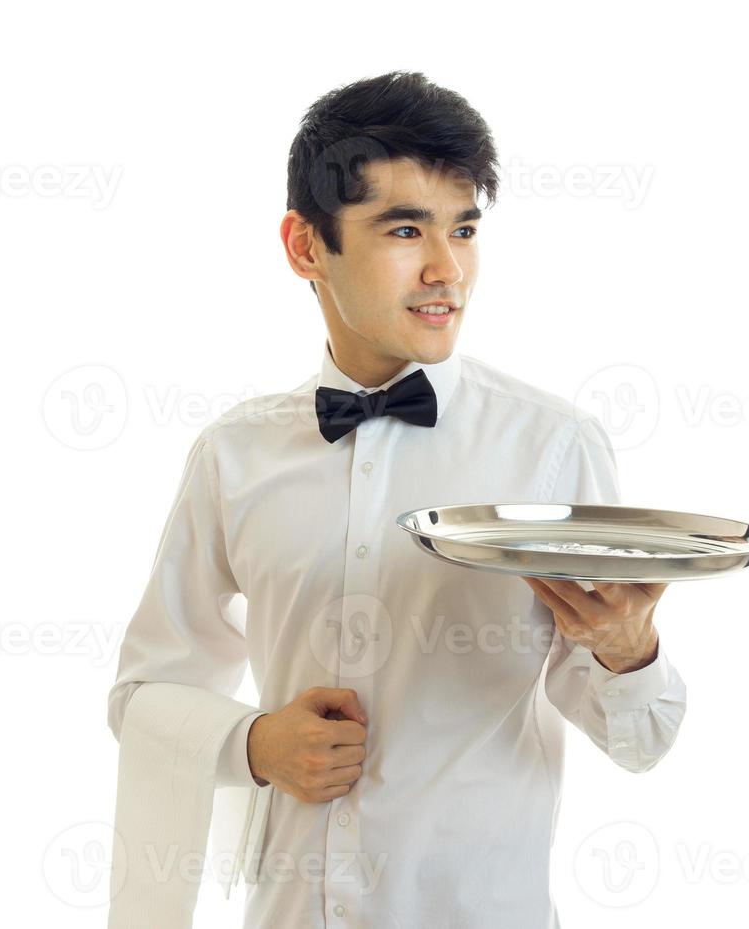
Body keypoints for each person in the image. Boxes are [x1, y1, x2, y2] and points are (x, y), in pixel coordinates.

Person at [107, 70, 687, 929]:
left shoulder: (551, 447)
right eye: (405, 228)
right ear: (307, 247)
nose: (446, 269)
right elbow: (145, 691)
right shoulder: (233, 456)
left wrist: (626, 649)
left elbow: (641, 744)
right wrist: (256, 745)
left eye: (464, 229)